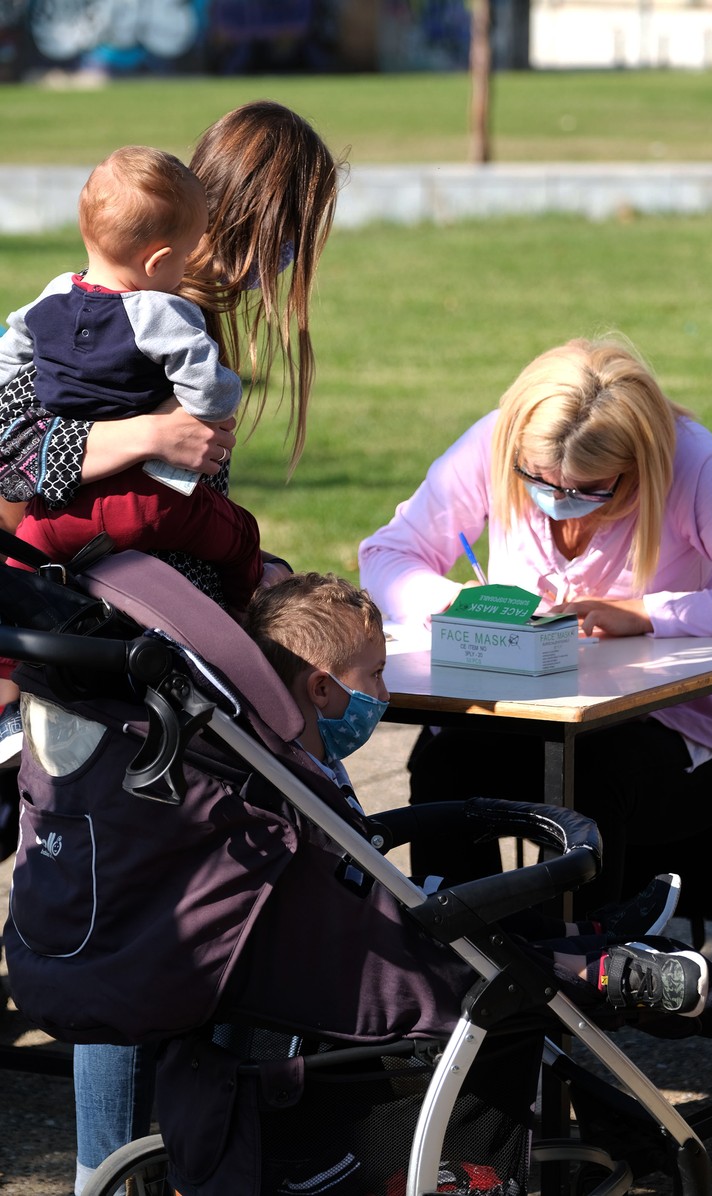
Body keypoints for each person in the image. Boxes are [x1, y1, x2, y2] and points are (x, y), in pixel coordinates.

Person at [0, 99, 340, 1195]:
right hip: (98, 644)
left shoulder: (178, 317)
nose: (291, 268)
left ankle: (210, 1124)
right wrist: (148, 436)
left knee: (180, 883)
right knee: (130, 902)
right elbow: (10, 448)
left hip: (147, 630)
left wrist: (245, 561)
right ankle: (126, 1155)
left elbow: (181, 509)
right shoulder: (106, 314)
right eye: (294, 239)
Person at [358, 334, 712, 911]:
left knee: (590, 781)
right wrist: (455, 603)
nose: (560, 498)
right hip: (530, 718)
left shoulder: (689, 462)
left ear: (637, 467)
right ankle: (462, 954)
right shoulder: (496, 441)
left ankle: (575, 958)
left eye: (591, 489)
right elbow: (388, 554)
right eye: (538, 480)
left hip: (676, 733)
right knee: (443, 765)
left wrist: (647, 614)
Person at [244, 571, 712, 1035]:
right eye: (375, 675)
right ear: (322, 688)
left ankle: (586, 931)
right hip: (366, 955)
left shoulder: (309, 760)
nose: (386, 694)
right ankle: (593, 972)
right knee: (451, 919)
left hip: (368, 917)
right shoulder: (288, 785)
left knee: (452, 899)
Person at [0, 144, 263, 613]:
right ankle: (244, 615)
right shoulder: (162, 313)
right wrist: (224, 394)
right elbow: (209, 394)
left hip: (59, 512)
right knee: (241, 538)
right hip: (151, 502)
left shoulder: (53, 295)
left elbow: (10, 354)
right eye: (185, 256)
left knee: (18, 575)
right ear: (157, 261)